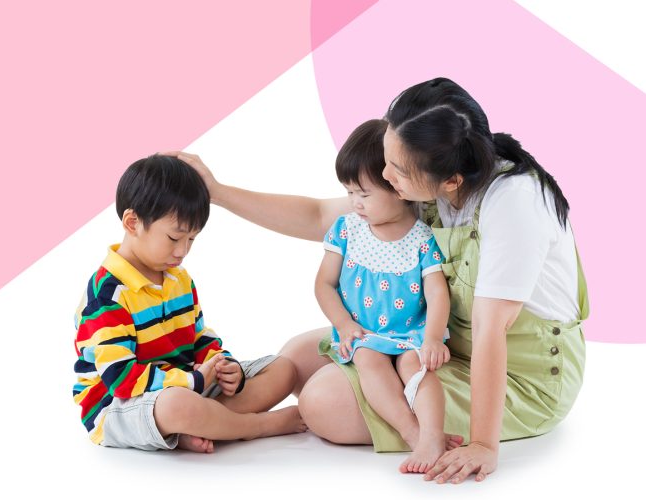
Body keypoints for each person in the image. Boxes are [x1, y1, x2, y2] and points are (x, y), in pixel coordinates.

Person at [164, 76, 588, 483]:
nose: (384, 177)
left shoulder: (513, 202)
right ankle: (213, 418)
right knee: (295, 356)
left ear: (451, 179)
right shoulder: (433, 172)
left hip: (519, 374)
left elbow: (492, 329)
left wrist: (483, 444)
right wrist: (216, 191)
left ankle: (406, 430)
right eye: (386, 158)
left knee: (321, 402)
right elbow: (317, 216)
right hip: (438, 342)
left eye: (396, 171)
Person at [72, 155, 306, 453]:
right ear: (133, 223)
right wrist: (192, 380)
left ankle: (202, 426)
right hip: (120, 405)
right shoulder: (107, 296)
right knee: (177, 405)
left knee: (283, 369)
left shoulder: (178, 279)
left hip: (186, 382)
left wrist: (224, 365)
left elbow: (198, 337)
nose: (183, 251)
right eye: (174, 237)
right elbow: (121, 379)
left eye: (192, 240)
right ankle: (254, 426)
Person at [315, 119, 454, 473]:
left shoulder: (422, 238)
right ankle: (412, 433)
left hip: (411, 332)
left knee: (416, 368)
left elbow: (437, 292)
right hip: (365, 335)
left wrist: (434, 338)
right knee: (369, 363)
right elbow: (324, 284)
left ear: (398, 188)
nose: (355, 203)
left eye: (364, 194)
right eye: (350, 192)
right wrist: (344, 325)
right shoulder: (347, 230)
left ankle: (433, 433)